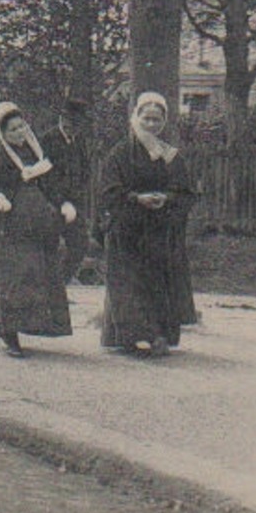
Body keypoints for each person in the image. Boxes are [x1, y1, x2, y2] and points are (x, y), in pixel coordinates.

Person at [0, 101, 79, 358]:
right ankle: (10, 334)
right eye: (13, 130)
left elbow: (50, 183)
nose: (19, 133)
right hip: (9, 227)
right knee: (12, 279)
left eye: (21, 127)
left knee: (36, 276)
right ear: (2, 134)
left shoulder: (36, 153)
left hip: (38, 226)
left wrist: (62, 202)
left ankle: (31, 325)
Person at [96, 91, 199, 358]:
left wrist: (167, 198)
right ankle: (131, 336)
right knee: (129, 284)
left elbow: (186, 192)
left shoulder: (170, 155)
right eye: (147, 118)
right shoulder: (119, 154)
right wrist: (136, 198)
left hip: (160, 231)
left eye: (157, 120)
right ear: (135, 118)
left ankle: (158, 334)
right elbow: (108, 191)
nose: (151, 125)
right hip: (128, 230)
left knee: (159, 284)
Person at [40, 95, 94, 283]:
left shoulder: (79, 141)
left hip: (75, 202)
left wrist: (79, 194)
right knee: (51, 247)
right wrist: (60, 201)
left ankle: (60, 284)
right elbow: (45, 176)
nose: (74, 127)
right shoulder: (48, 140)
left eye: (78, 124)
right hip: (53, 204)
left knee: (80, 244)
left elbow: (85, 169)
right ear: (63, 119)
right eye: (71, 122)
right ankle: (50, 290)